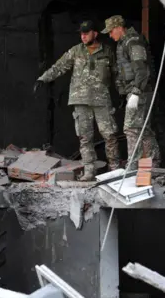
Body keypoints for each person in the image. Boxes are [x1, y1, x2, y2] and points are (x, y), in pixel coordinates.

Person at [34, 20, 120, 180]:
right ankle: (89, 171)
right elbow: (59, 67)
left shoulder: (108, 52)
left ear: (95, 33)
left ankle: (114, 169)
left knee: (109, 135)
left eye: (86, 33)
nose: (83, 36)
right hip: (80, 100)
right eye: (81, 33)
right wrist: (42, 79)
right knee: (85, 137)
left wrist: (123, 93)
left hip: (102, 101)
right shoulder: (75, 51)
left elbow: (117, 74)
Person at [102, 15, 160, 170]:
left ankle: (133, 165)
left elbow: (142, 70)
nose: (110, 35)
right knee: (142, 128)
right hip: (137, 91)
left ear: (120, 28)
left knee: (131, 128)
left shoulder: (132, 42)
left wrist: (135, 92)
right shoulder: (124, 43)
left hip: (140, 91)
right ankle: (153, 162)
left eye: (111, 31)